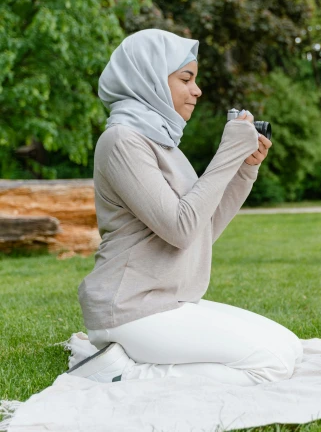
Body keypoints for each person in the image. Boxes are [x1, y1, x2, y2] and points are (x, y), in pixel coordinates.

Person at [68, 29, 302, 386]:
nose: (197, 90)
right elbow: (180, 228)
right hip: (130, 309)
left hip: (168, 302)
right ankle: (123, 373)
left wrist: (245, 169)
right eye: (186, 78)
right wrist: (226, 153)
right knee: (270, 365)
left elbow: (200, 230)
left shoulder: (164, 144)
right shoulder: (120, 142)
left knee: (289, 347)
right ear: (149, 78)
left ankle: (126, 364)